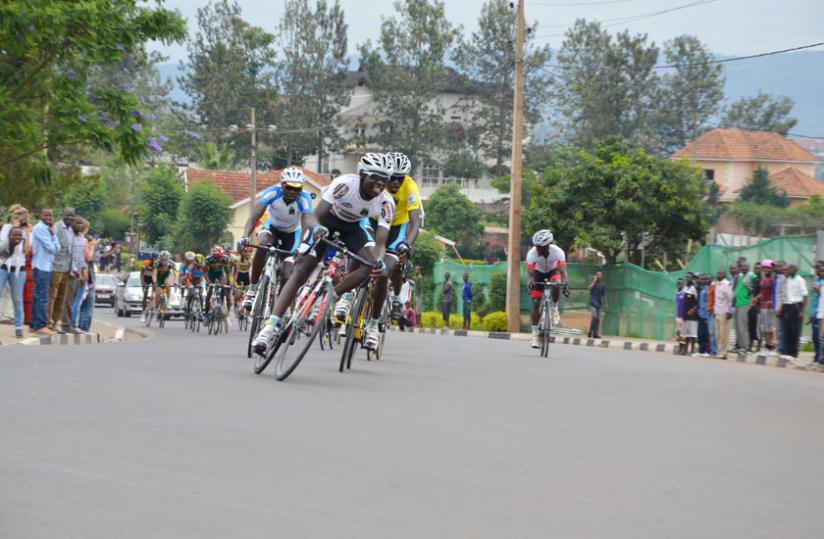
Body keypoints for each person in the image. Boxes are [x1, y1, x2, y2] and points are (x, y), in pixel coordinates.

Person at [252, 152, 395, 355]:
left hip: (354, 229)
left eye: (385, 179)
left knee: (372, 265)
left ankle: (331, 296)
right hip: (327, 221)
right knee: (300, 271)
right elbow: (314, 216)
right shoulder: (345, 184)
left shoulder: (385, 203)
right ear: (362, 174)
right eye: (376, 177)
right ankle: (269, 327)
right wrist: (317, 230)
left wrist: (379, 261)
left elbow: (380, 241)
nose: (380, 183)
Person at [240, 167, 313, 311]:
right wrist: (244, 236)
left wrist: (302, 245)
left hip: (292, 235)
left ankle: (279, 309)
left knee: (287, 274)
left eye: (297, 188)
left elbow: (306, 225)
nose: (292, 191)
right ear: (282, 185)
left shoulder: (305, 199)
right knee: (262, 245)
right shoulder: (272, 193)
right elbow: (254, 217)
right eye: (289, 187)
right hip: (272, 229)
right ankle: (252, 289)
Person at [371, 152, 422, 322]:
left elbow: (415, 223)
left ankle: (397, 296)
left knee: (396, 263)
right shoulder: (377, 183)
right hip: (375, 222)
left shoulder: (410, 187)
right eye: (392, 177)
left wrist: (407, 244)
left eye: (400, 178)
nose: (395, 182)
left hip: (397, 226)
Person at [527, 229, 568, 349]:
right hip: (538, 273)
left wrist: (565, 285)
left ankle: (555, 308)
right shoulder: (532, 253)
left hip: (553, 271)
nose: (538, 249)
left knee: (556, 283)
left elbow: (563, 272)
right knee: (535, 302)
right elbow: (530, 273)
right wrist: (530, 284)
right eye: (536, 246)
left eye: (541, 247)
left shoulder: (558, 252)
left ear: (548, 245)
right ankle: (534, 334)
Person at [29, 208, 61, 335]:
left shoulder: (49, 229)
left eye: (51, 215)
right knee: (42, 297)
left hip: (46, 266)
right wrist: (53, 236)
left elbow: (56, 248)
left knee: (39, 296)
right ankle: (40, 325)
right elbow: (53, 248)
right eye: (46, 215)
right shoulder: (40, 228)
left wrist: (53, 235)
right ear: (39, 215)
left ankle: (34, 324)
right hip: (41, 266)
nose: (49, 217)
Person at [47, 207, 75, 333]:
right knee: (52, 295)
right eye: (67, 215)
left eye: (72, 216)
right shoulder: (57, 227)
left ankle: (55, 321)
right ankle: (49, 322)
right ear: (62, 215)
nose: (69, 218)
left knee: (62, 297)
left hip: (67, 269)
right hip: (56, 267)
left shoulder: (71, 231)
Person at [0, 226, 26, 338]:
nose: (17, 237)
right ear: (9, 235)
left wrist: (27, 235)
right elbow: (3, 257)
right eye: (14, 235)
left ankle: (19, 327)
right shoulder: (4, 243)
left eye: (20, 235)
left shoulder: (24, 243)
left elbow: (28, 251)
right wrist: (12, 246)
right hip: (3, 269)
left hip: (19, 271)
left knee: (17, 299)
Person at [778, 263, 806, 360]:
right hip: (787, 306)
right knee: (787, 330)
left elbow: (804, 296)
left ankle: (794, 353)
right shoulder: (787, 280)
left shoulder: (800, 280)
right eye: (788, 268)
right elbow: (785, 297)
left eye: (791, 268)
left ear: (796, 269)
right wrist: (782, 310)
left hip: (796, 306)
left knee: (795, 331)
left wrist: (801, 311)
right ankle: (788, 352)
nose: (789, 270)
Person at [68, 217, 89, 331]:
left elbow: (81, 258)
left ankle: (72, 324)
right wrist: (76, 271)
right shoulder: (70, 237)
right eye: (77, 223)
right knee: (72, 300)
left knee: (77, 300)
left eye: (81, 224)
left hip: (80, 273)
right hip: (71, 272)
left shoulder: (82, 239)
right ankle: (70, 324)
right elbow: (69, 256)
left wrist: (83, 270)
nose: (79, 226)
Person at [733, 261, 754, 353]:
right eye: (742, 266)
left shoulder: (751, 275)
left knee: (743, 326)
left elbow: (756, 285)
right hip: (738, 303)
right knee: (738, 326)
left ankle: (745, 346)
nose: (743, 268)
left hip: (745, 303)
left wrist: (752, 293)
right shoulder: (741, 276)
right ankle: (739, 346)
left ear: (749, 267)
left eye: (745, 266)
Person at [756, 260, 777, 352]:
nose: (766, 270)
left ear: (771, 269)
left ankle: (770, 343)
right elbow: (762, 292)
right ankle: (767, 343)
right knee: (763, 326)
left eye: (768, 268)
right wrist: (756, 298)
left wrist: (771, 301)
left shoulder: (773, 279)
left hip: (769, 306)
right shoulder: (762, 278)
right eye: (764, 268)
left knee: (769, 326)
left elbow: (775, 293)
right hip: (762, 305)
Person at [713, 269, 733, 359]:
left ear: (724, 275)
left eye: (721, 273)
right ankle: (719, 351)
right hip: (717, 312)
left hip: (724, 313)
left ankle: (724, 353)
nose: (719, 275)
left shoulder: (726, 285)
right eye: (718, 273)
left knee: (724, 334)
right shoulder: (716, 284)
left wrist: (730, 311)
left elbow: (730, 299)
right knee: (718, 335)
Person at [151, 250, 176, 315]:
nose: (164, 261)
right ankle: (156, 308)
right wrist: (155, 282)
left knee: (167, 284)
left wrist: (175, 282)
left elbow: (175, 274)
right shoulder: (156, 264)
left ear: (168, 259)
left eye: (166, 260)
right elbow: (154, 274)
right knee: (158, 294)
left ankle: (167, 301)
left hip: (166, 276)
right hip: (158, 277)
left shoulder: (172, 264)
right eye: (163, 260)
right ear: (160, 259)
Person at [810, 261, 824, 362]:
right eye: (817, 269)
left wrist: (818, 290)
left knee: (820, 336)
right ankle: (817, 355)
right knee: (815, 336)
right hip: (815, 312)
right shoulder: (816, 279)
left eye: (820, 269)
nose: (818, 271)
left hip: (821, 312)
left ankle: (820, 357)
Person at [682, 273, 699, 356]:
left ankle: (692, 350)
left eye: (689, 277)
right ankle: (685, 349)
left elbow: (697, 301)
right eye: (686, 277)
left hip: (692, 315)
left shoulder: (694, 288)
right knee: (686, 332)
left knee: (693, 333)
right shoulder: (685, 288)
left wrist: (693, 310)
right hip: (685, 314)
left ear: (692, 279)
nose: (687, 278)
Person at [587, 270, 607, 339]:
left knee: (597, 319)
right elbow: (589, 288)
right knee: (594, 317)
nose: (598, 276)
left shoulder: (603, 285)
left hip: (599, 304)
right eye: (597, 275)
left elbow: (604, 295)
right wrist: (594, 281)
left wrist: (606, 304)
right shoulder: (593, 283)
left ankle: (594, 333)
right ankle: (592, 333)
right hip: (592, 303)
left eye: (600, 275)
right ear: (595, 276)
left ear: (601, 276)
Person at [697, 274, 711, 357]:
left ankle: (706, 350)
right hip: (701, 313)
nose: (704, 281)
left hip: (706, 314)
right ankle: (700, 351)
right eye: (703, 279)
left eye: (706, 279)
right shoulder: (702, 289)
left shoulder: (709, 289)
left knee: (705, 333)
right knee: (700, 333)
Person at [675, 278, 685, 354]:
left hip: (683, 316)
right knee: (678, 333)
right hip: (678, 316)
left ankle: (683, 349)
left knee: (682, 334)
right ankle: (679, 348)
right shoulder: (677, 293)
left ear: (683, 284)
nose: (679, 285)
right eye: (678, 283)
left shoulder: (684, 293)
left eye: (680, 283)